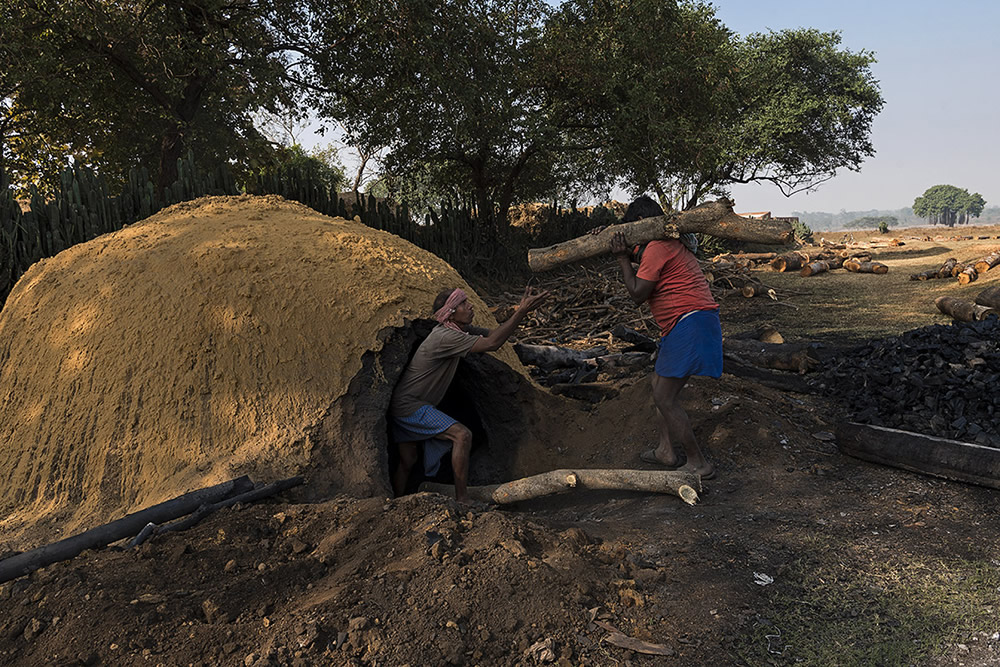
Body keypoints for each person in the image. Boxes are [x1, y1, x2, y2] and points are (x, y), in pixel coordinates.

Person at [389, 285, 549, 503]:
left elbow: (493, 335)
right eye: (464, 303)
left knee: (408, 461)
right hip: (411, 405)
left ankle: (396, 502)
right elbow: (492, 344)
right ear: (451, 312)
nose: (470, 306)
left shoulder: (457, 331)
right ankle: (462, 498)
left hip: (405, 404)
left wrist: (521, 310)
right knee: (462, 435)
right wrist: (521, 312)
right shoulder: (445, 337)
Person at [610, 195, 720, 479]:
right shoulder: (663, 245)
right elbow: (641, 258)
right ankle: (665, 451)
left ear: (640, 225)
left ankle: (699, 463)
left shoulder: (658, 247)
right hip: (686, 322)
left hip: (690, 321)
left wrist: (622, 258)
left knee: (664, 396)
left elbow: (636, 294)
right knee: (658, 381)